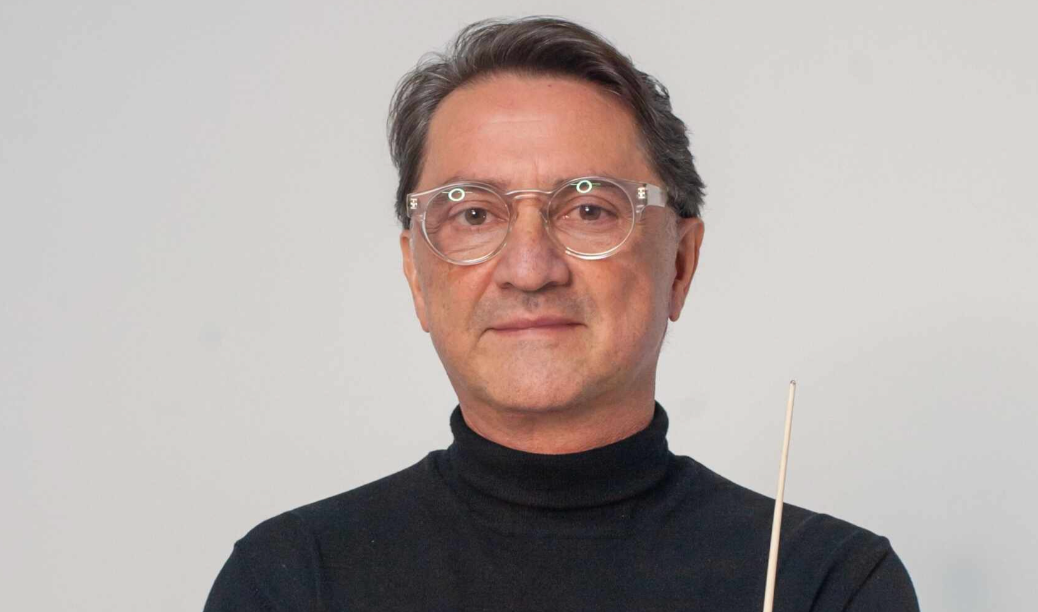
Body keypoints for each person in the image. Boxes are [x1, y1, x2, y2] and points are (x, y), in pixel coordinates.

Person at [204, 17, 919, 611]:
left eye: (589, 210)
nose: (529, 268)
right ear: (416, 277)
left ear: (680, 263)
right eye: (474, 214)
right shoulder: (291, 582)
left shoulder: (827, 585)